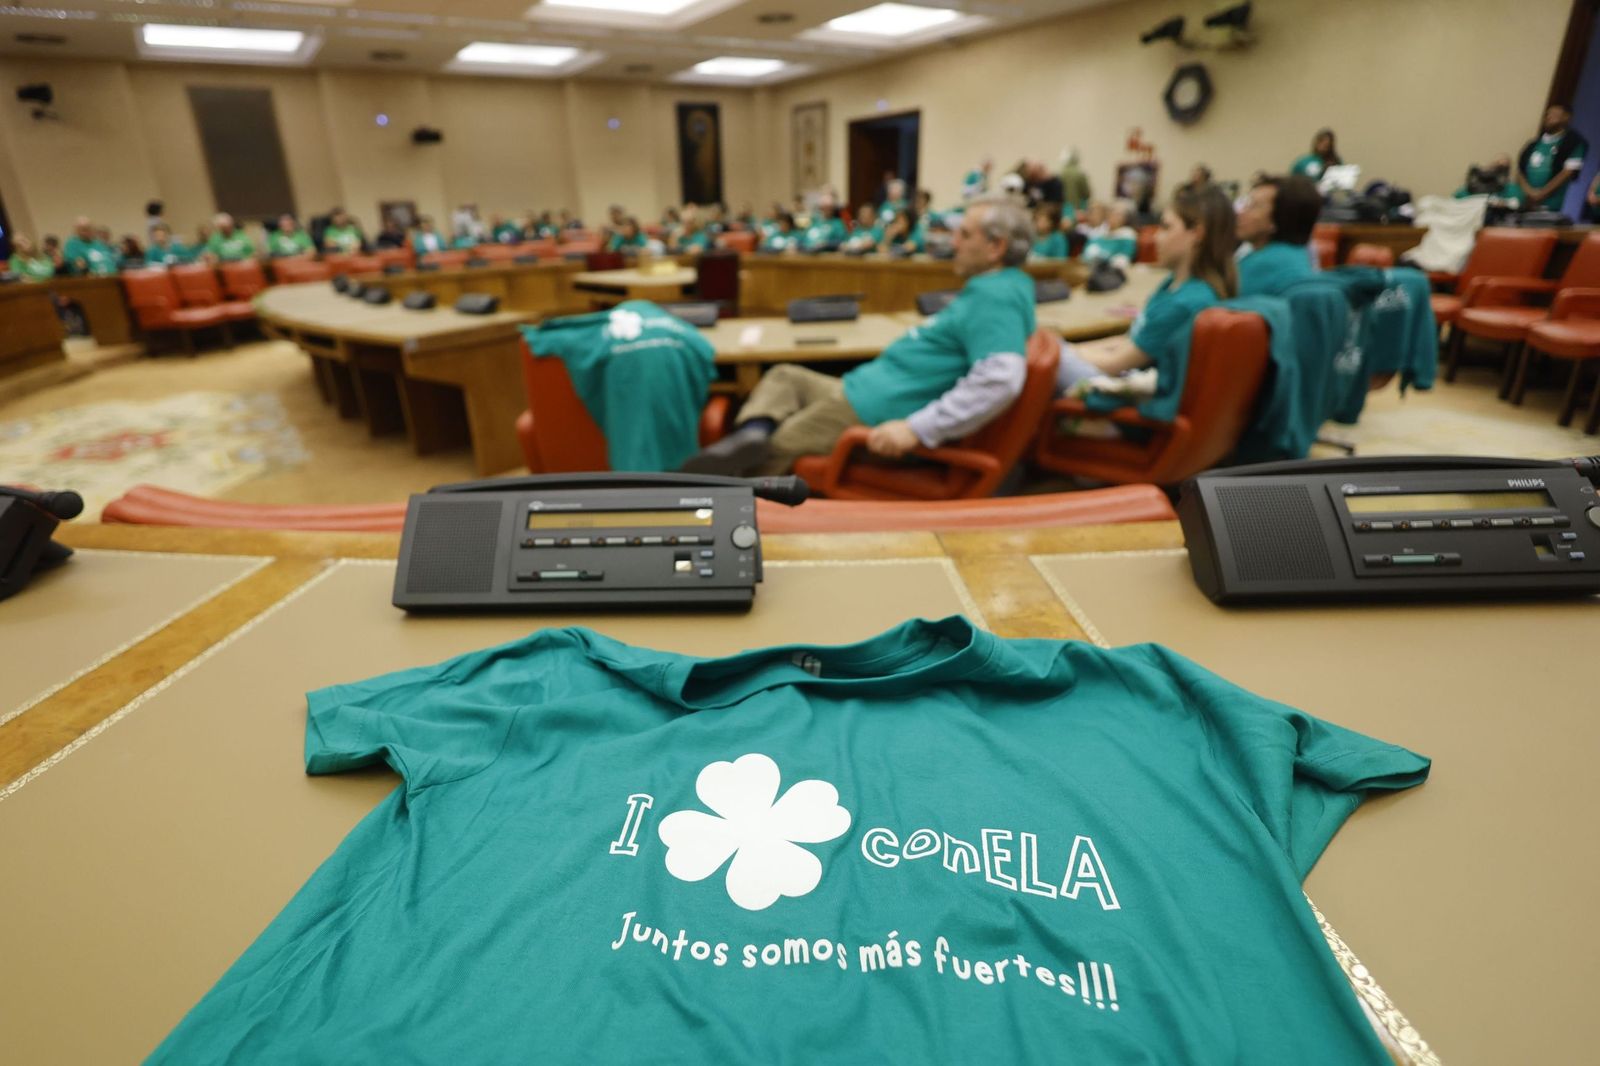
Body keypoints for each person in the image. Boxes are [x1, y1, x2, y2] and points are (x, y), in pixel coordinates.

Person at [679, 195, 1036, 477]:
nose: (953, 242)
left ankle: (739, 495)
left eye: (965, 235)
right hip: (861, 389)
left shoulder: (996, 296)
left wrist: (916, 428)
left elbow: (1001, 377)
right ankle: (748, 438)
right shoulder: (1006, 286)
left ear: (996, 247)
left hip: (874, 411)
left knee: (781, 445)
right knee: (785, 376)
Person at [1053, 184, 1239, 396]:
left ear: (1196, 233)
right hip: (1126, 375)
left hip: (1128, 396)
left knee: (1041, 354)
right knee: (1050, 347)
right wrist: (1071, 349)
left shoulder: (1187, 301)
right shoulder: (1173, 284)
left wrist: (1060, 352)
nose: (1156, 237)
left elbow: (1115, 363)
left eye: (1166, 227)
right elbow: (1129, 341)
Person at [1234, 174, 1322, 297]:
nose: (1240, 213)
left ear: (1278, 220)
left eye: (1253, 206)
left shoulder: (1263, 265)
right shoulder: (1299, 253)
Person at [1518, 103, 1588, 214]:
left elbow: (1567, 172)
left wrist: (1541, 194)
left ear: (1566, 117)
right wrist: (1529, 192)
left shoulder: (1573, 143)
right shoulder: (1533, 144)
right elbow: (1520, 171)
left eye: (1554, 114)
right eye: (1547, 114)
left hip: (1550, 206)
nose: (1548, 117)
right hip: (1526, 203)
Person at [1081, 201, 1138, 267]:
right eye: (1111, 212)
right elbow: (1086, 252)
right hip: (1089, 265)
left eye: (1118, 215)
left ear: (1125, 218)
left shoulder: (1127, 235)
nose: (1113, 216)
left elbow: (1124, 257)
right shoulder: (1098, 232)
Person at [1455, 155, 1522, 205]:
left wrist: (1503, 203)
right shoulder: (1470, 189)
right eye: (1496, 165)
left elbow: (1517, 203)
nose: (1500, 169)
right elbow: (1457, 200)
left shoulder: (1513, 190)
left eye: (1504, 168)